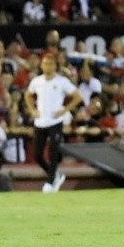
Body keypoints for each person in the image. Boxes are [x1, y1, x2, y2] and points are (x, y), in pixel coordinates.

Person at [24, 54, 83, 193]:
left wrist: (65, 110)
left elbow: (77, 96)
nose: (47, 66)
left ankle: (50, 181)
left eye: (50, 64)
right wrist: (32, 110)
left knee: (54, 151)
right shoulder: (36, 81)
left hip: (55, 121)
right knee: (37, 155)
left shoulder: (62, 81)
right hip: (40, 122)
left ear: (55, 66)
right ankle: (55, 175)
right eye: (45, 63)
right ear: (41, 65)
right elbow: (27, 95)